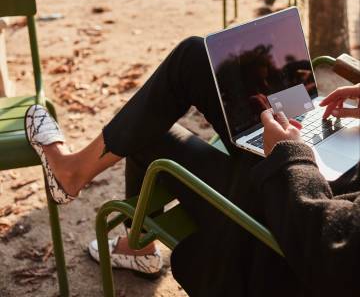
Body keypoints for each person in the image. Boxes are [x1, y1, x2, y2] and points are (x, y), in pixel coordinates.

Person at [25, 37, 360, 295]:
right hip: (335, 175)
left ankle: (74, 177)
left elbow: (329, 252)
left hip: (277, 249)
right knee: (196, 58)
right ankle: (134, 246)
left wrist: (290, 157)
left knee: (152, 134)